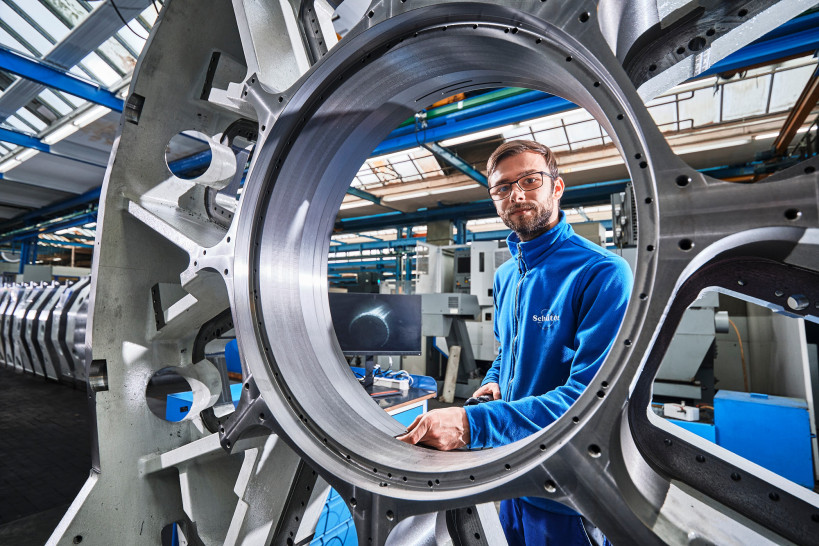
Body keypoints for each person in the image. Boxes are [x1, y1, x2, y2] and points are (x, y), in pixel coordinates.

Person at [398, 139, 632, 545]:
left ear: (557, 188)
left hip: (569, 492)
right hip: (512, 476)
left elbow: (590, 399)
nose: (516, 195)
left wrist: (472, 424)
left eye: (530, 180)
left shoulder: (602, 273)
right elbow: (508, 351)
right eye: (503, 188)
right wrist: (495, 380)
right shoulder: (508, 276)